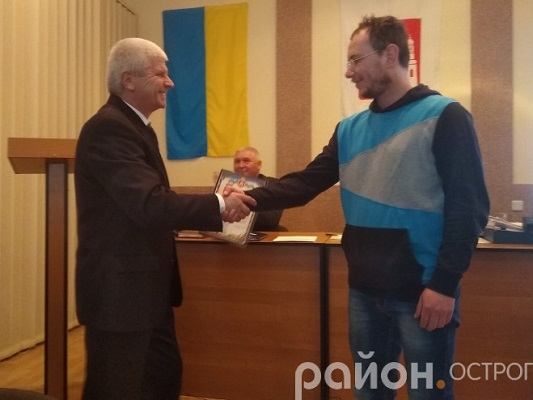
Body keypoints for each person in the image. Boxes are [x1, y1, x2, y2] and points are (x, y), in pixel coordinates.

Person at [244, 16, 489, 399]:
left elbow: (469, 208)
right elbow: (305, 184)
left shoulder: (445, 116)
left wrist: (444, 285)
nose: (348, 72)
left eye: (356, 60)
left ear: (390, 54)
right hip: (364, 292)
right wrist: (245, 197)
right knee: (370, 394)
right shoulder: (349, 129)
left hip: (423, 294)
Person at [74, 37, 255, 400]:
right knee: (117, 389)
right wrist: (220, 204)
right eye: (160, 74)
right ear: (128, 80)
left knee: (161, 381)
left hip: (146, 295)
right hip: (120, 299)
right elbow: (150, 204)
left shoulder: (135, 127)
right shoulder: (109, 128)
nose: (170, 82)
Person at [233, 146, 283, 231]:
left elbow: (270, 221)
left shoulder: (273, 185)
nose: (241, 165)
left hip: (263, 236)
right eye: (237, 161)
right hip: (229, 236)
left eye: (246, 161)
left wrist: (240, 201)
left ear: (258, 165)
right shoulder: (227, 185)